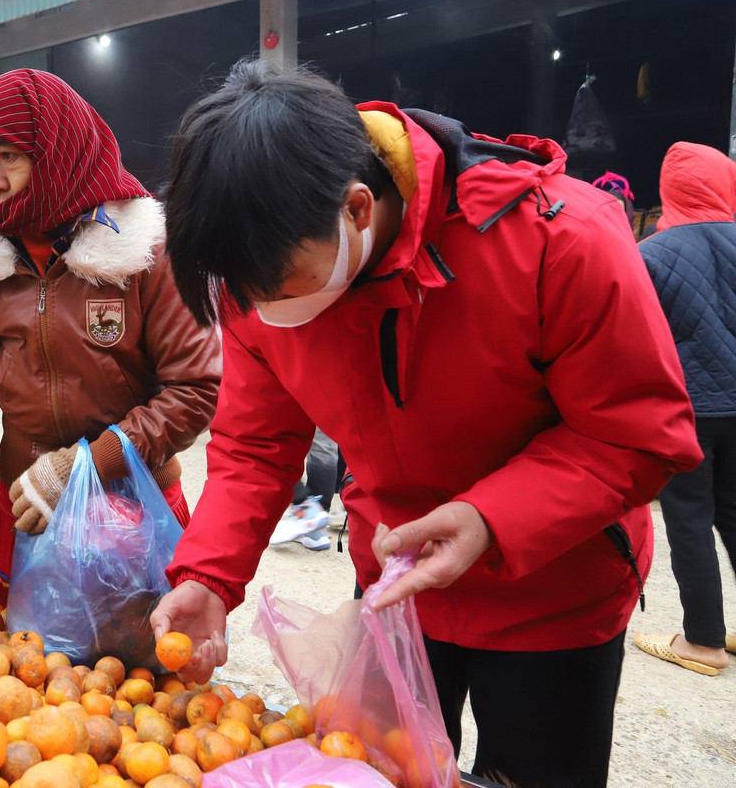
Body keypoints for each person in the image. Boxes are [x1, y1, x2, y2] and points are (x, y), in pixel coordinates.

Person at [151, 61, 700, 788]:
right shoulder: (259, 283)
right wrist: (210, 574)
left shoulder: (559, 241)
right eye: (239, 292)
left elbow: (637, 433)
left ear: (354, 209)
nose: (256, 308)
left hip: (552, 596)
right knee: (377, 774)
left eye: (276, 286)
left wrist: (489, 517)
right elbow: (254, 446)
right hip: (394, 590)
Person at [0, 69, 222, 596]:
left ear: (59, 148)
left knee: (137, 670)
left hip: (134, 506)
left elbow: (196, 389)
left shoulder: (143, 248)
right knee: (21, 667)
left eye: (8, 157)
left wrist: (87, 464)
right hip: (25, 508)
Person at [635, 142, 736, 675]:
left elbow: (635, 339)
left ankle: (703, 640)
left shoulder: (653, 252)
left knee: (690, 517)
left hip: (690, 409)